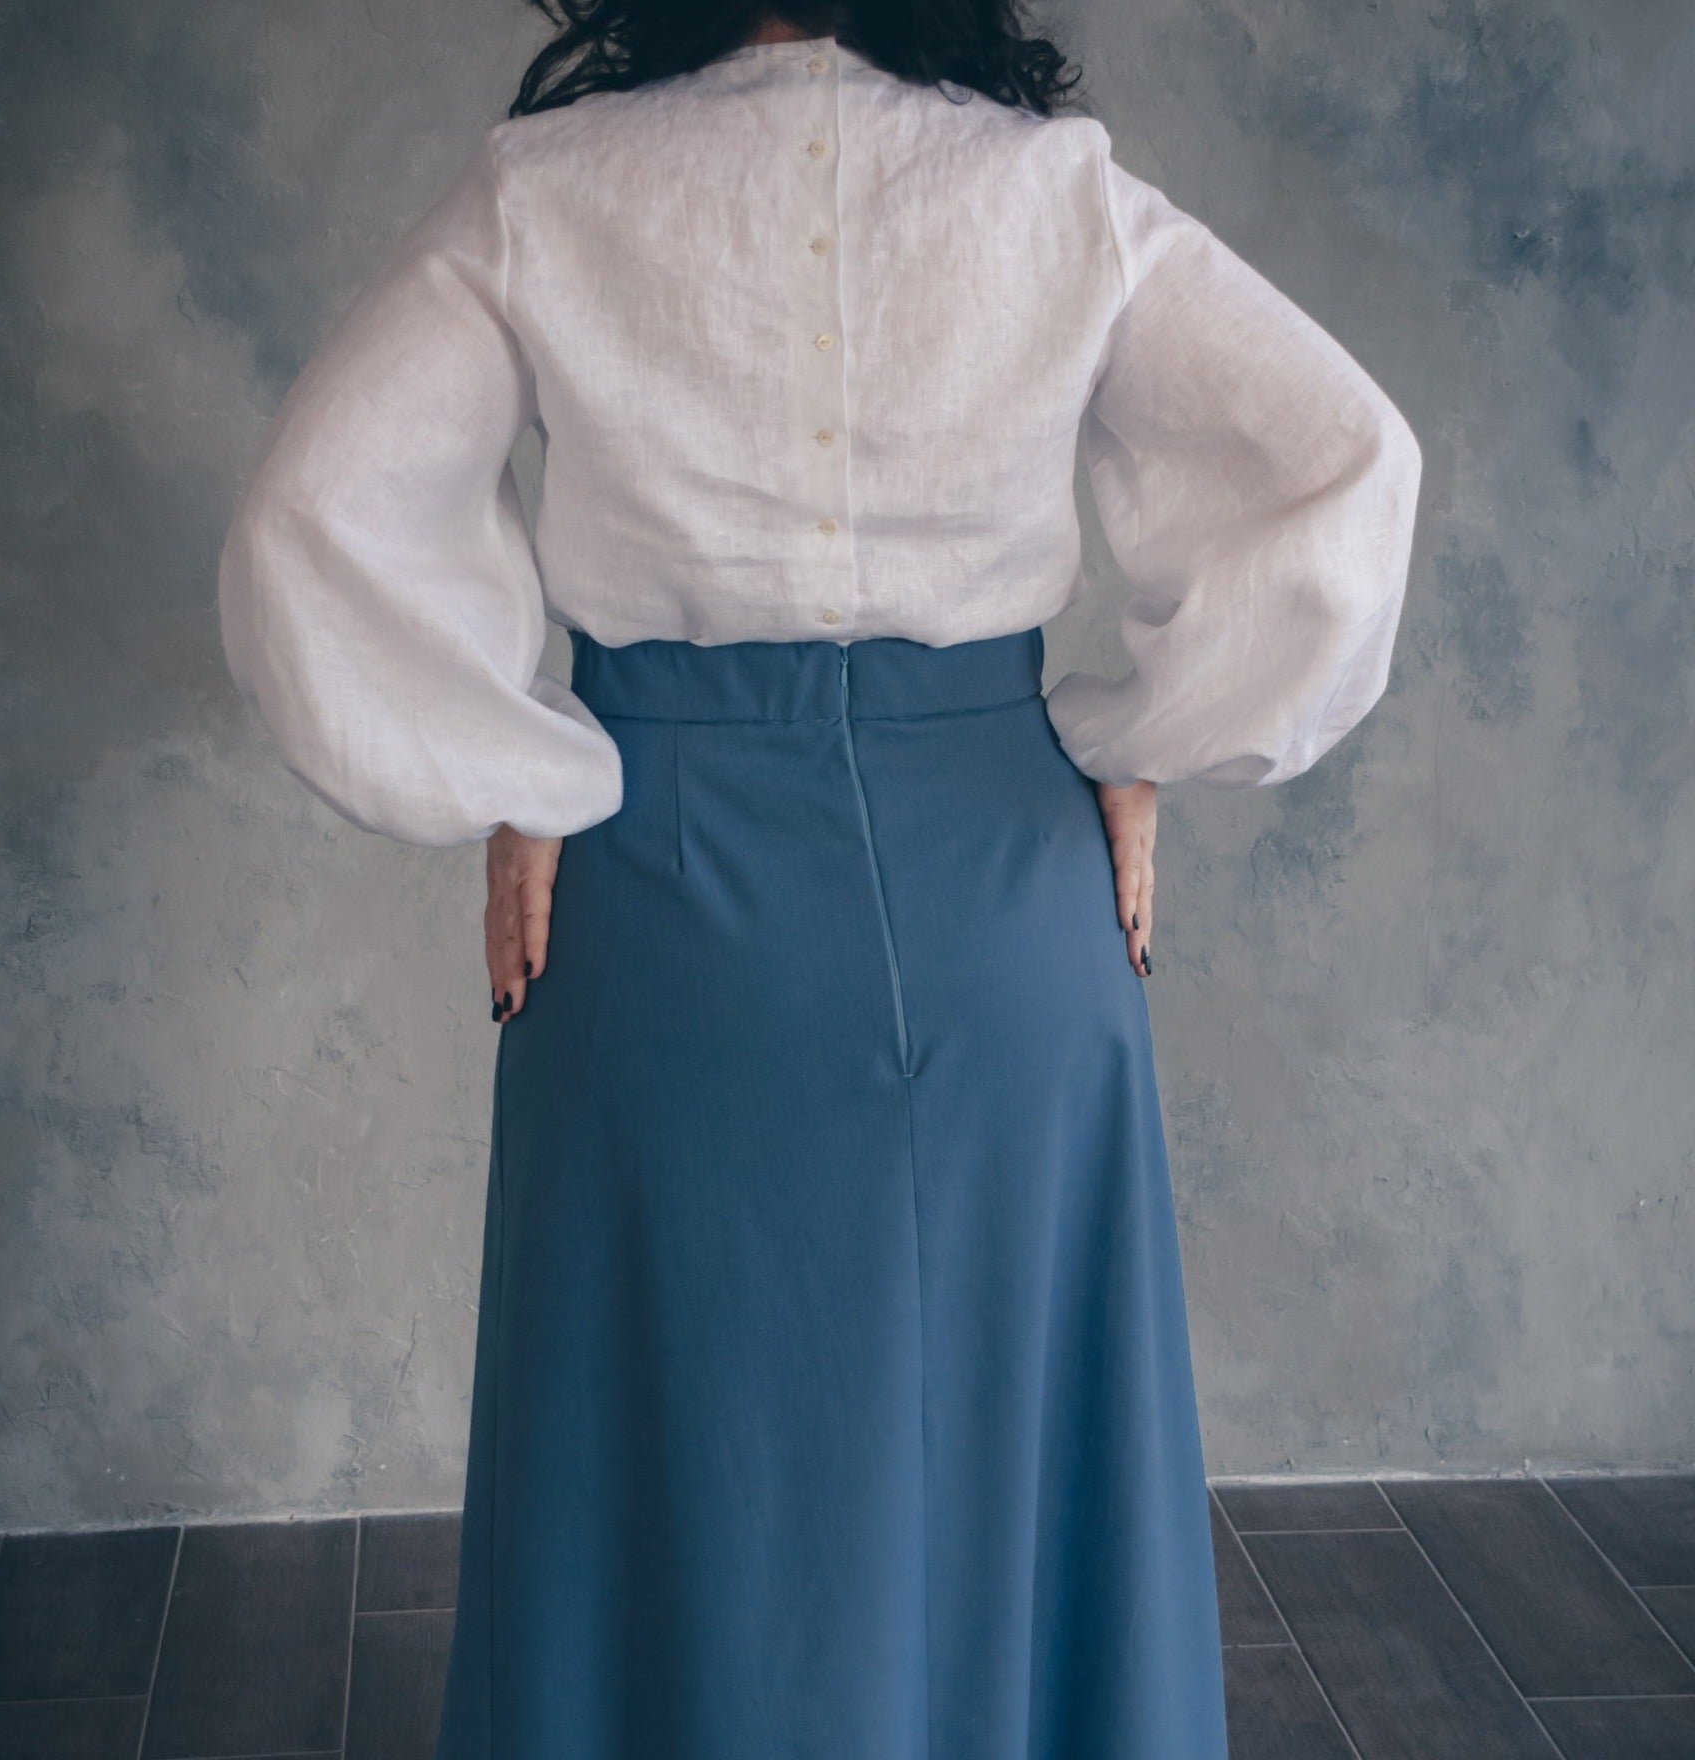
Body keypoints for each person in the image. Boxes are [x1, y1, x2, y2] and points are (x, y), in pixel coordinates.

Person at [217, 2, 1423, 1754]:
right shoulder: (1050, 189)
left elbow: (305, 525)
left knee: (682, 1487)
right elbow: (1344, 467)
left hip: (670, 901)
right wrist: (1137, 732)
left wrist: (530, 770)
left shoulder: (549, 189)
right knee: (1005, 1474)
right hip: (1007, 894)